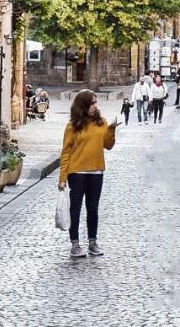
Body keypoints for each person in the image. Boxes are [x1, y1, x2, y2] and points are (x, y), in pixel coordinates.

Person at [58, 90, 118, 257]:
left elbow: (108, 145)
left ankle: (93, 242)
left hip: (96, 171)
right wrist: (62, 178)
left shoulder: (101, 122)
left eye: (95, 103)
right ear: (83, 105)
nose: (95, 106)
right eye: (92, 103)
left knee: (93, 209)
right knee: (75, 209)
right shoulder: (72, 126)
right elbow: (66, 152)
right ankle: (75, 244)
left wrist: (111, 130)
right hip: (77, 172)